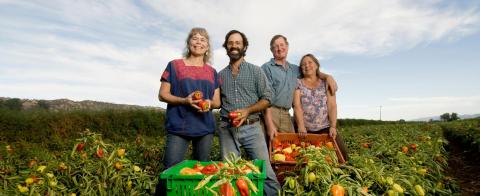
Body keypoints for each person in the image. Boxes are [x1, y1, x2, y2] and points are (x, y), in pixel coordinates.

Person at [155, 27, 221, 195]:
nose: (198, 42)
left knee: (202, 175)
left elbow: (217, 101)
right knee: (170, 173)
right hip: (179, 127)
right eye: (195, 38)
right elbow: (162, 95)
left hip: (204, 128)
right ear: (188, 42)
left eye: (203, 40)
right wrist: (184, 100)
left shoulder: (212, 72)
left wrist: (208, 103)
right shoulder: (174, 65)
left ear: (207, 48)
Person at [218, 30, 281, 196]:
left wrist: (248, 110)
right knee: (230, 174)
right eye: (230, 43)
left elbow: (268, 98)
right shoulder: (220, 75)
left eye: (238, 43)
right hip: (227, 129)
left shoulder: (256, 71)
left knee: (266, 173)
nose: (234, 46)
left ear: (244, 46)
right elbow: (216, 102)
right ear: (226, 46)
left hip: (252, 127)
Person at [261, 35, 338, 141]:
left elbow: (311, 72)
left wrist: (328, 77)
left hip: (286, 114)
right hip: (271, 111)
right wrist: (269, 124)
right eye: (275, 46)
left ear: (287, 46)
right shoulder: (266, 68)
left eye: (282, 45)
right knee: (271, 146)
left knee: (291, 146)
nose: (279, 48)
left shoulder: (294, 69)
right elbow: (265, 98)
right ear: (271, 50)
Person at [293, 54, 348, 160]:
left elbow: (332, 106)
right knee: (308, 159)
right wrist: (300, 126)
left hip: (325, 128)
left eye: (310, 62)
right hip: (305, 131)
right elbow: (297, 106)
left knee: (341, 155)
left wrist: (333, 126)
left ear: (317, 65)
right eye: (303, 64)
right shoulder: (298, 83)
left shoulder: (326, 82)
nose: (307, 66)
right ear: (301, 69)